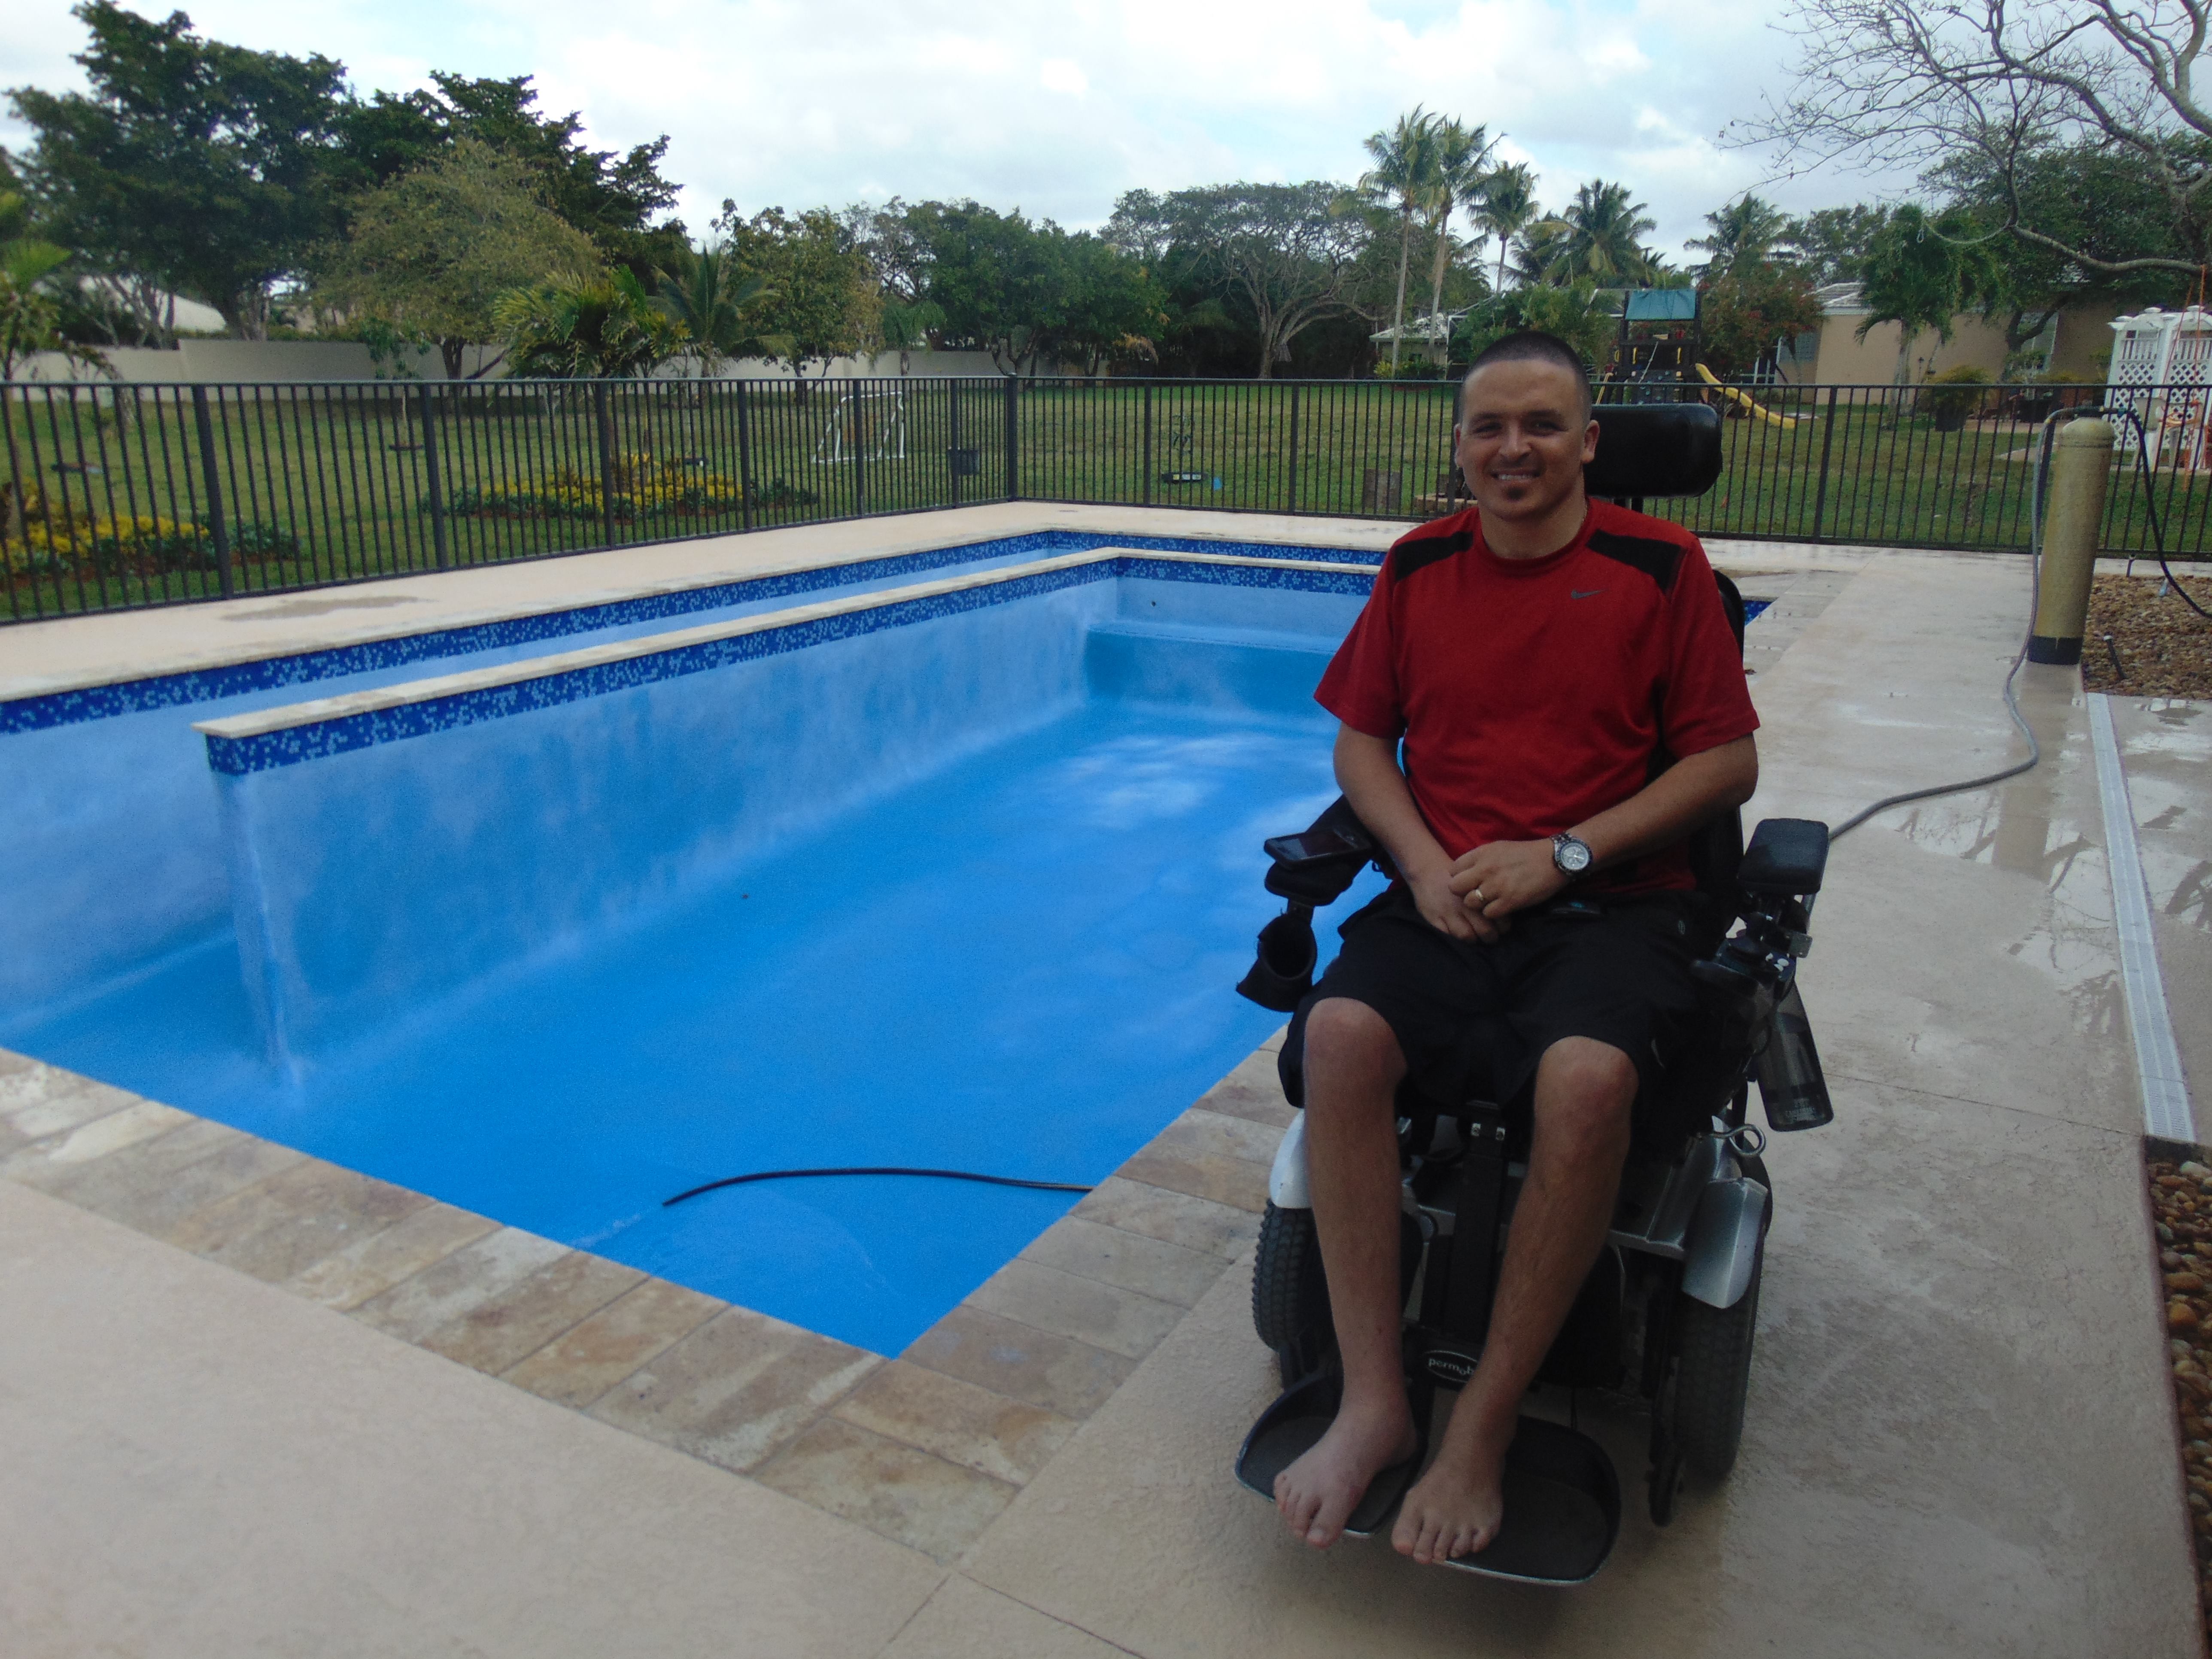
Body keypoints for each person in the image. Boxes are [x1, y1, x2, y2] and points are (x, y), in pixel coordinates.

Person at [1270, 331, 1761, 1566]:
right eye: (1490, 426)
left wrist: (1567, 854)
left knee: (1585, 1081)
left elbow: (1725, 762)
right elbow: (1361, 749)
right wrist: (1427, 867)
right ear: (1460, 444)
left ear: (1589, 442)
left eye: (1542, 425)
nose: (1514, 449)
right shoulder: (1421, 567)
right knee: (1336, 1036)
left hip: (1611, 904)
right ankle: (1377, 1403)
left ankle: (1481, 1429)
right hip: (1449, 900)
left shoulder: (1663, 569)